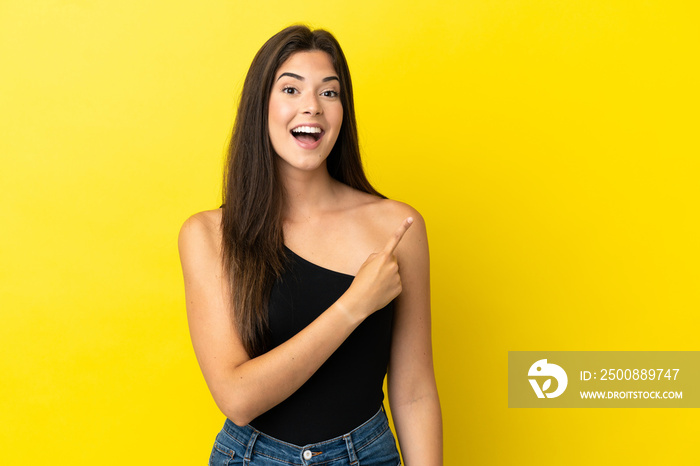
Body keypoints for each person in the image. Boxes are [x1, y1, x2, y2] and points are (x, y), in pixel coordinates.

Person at [178, 25, 442, 465]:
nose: (311, 107)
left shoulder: (399, 226)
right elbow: (238, 398)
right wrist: (354, 304)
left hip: (369, 454)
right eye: (291, 89)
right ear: (260, 106)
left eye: (329, 93)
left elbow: (414, 393)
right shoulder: (208, 235)